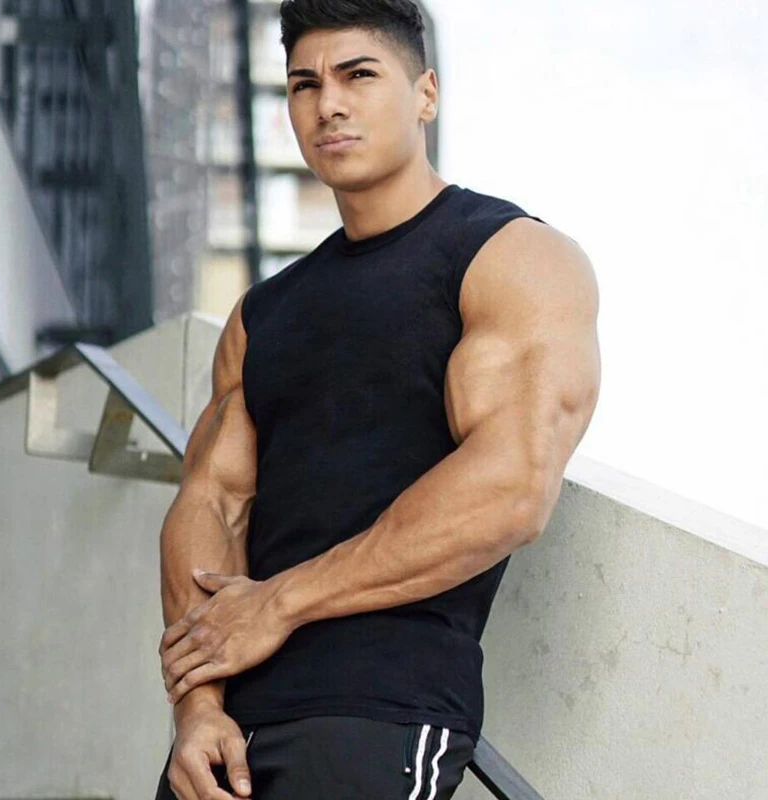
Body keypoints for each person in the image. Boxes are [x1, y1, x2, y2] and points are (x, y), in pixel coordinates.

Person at [155, 1, 601, 798]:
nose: (328, 103)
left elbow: (512, 489)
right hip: (224, 738)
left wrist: (279, 603)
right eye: (304, 84)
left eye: (358, 75)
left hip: (377, 715)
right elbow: (210, 501)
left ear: (425, 93)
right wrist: (198, 707)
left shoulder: (508, 258)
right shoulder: (263, 313)